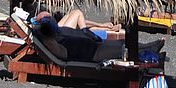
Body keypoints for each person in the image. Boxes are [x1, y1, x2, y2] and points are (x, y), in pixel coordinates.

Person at [33, 14, 163, 63]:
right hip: (93, 53)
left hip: (94, 43)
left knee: (122, 43)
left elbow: (46, 16)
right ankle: (151, 49)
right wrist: (41, 28)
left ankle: (149, 47)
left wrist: (42, 21)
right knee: (122, 48)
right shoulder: (55, 44)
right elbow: (53, 47)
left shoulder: (59, 31)